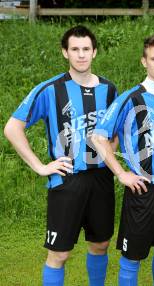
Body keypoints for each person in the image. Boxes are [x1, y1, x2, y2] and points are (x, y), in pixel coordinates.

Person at [3, 25, 118, 286]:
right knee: (59, 253)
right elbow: (12, 127)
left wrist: (112, 150)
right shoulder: (50, 89)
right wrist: (40, 166)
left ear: (94, 52)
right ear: (65, 53)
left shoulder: (110, 89)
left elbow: (114, 131)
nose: (81, 55)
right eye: (74, 49)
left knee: (100, 244)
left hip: (101, 178)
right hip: (67, 179)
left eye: (86, 49)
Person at [92, 33, 154, 286]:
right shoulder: (130, 98)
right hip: (142, 190)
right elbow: (99, 137)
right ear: (144, 61)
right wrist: (121, 173)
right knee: (132, 255)